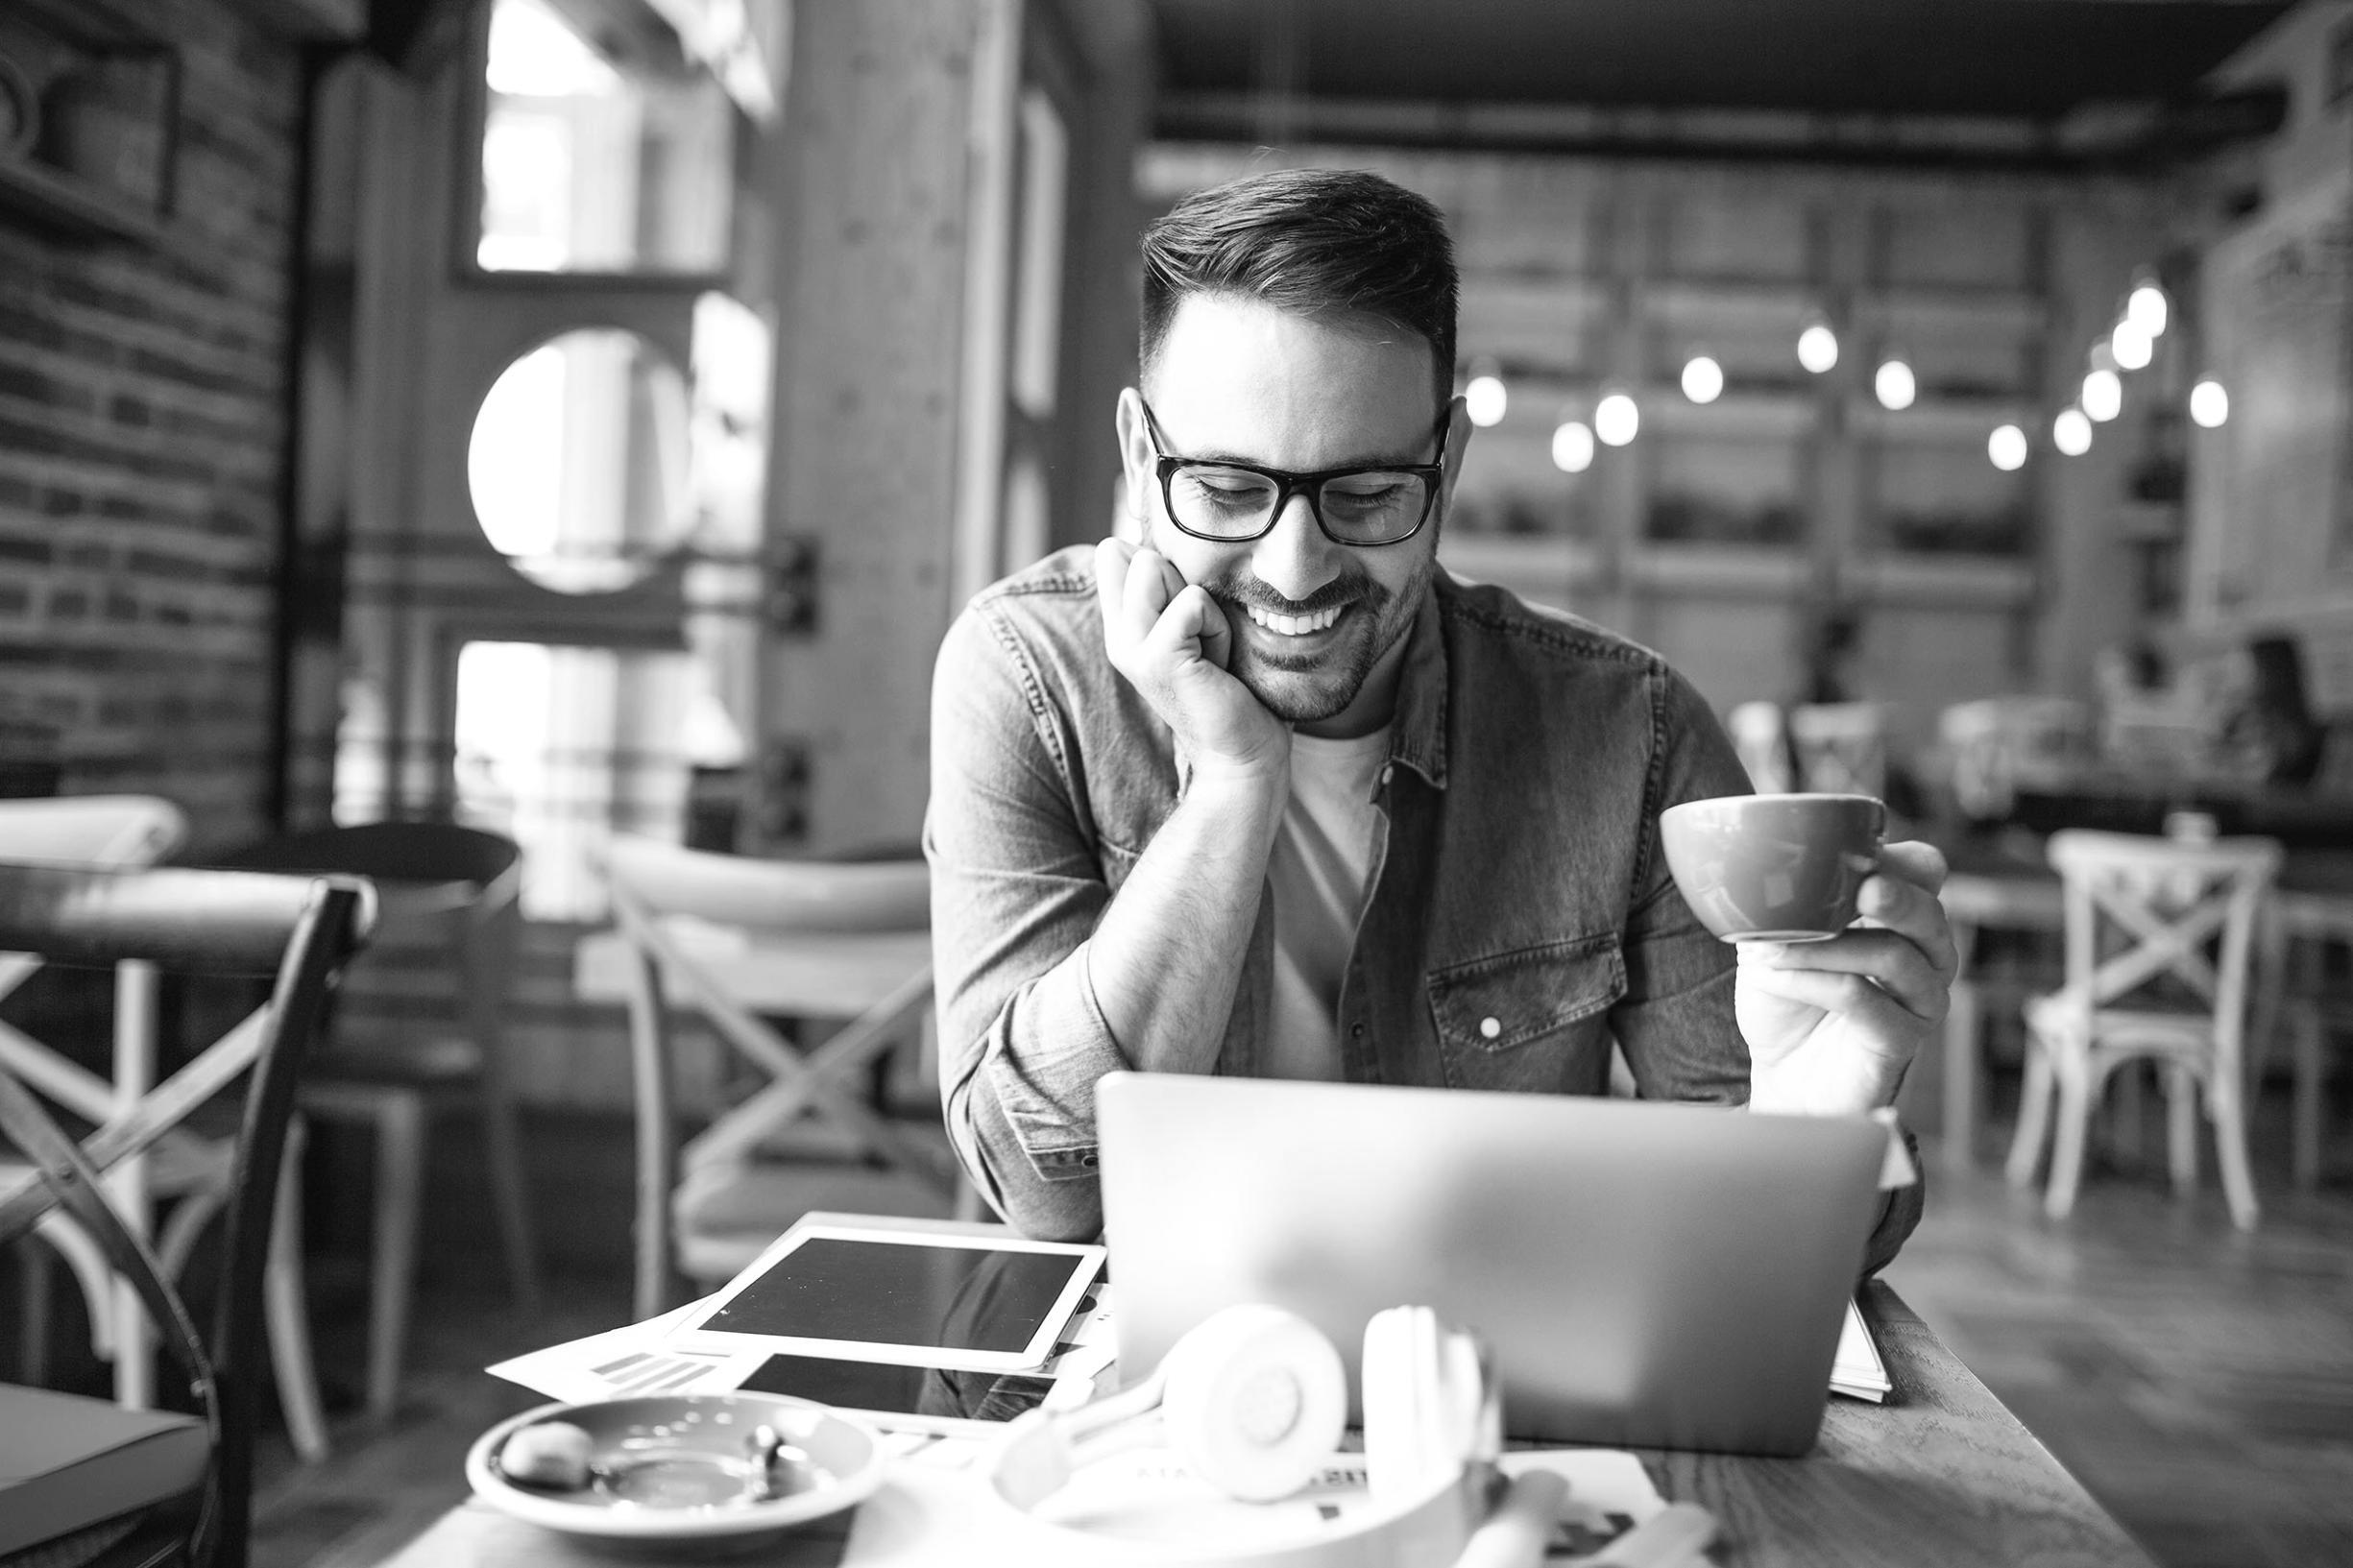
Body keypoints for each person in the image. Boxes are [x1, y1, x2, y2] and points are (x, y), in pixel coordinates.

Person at [925, 169, 1955, 1273]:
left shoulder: (1626, 734)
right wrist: (1231, 781)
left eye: (1365, 495)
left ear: (1446, 463)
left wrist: (1814, 1135)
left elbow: (1769, 1262)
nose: (1293, 569)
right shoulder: (1030, 676)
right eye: (1225, 490)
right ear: (1141, 457)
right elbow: (1042, 1186)